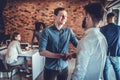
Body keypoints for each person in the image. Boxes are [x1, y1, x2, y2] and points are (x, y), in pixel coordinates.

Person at [39, 7, 78, 80]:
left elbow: (78, 45)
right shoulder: (46, 31)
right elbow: (42, 52)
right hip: (50, 68)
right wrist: (60, 55)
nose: (64, 18)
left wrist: (73, 54)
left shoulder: (68, 31)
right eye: (62, 15)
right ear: (54, 17)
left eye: (66, 16)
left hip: (64, 67)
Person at [71, 3, 108, 80]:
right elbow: (94, 56)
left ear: (87, 17)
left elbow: (79, 72)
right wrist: (76, 54)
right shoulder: (102, 38)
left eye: (83, 16)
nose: (82, 18)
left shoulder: (86, 41)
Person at [100, 12, 120, 80]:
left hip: (105, 53)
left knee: (105, 70)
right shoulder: (119, 28)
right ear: (114, 18)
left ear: (107, 18)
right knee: (117, 70)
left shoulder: (102, 29)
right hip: (115, 53)